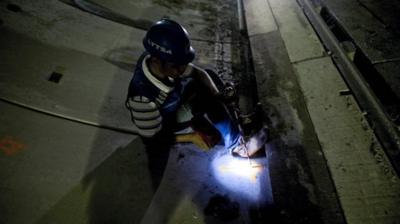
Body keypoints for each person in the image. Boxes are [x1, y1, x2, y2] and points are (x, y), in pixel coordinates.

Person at [125, 19, 264, 189]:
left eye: (183, 64)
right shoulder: (143, 99)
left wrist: (219, 94)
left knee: (210, 78)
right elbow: (152, 140)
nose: (182, 70)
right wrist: (190, 137)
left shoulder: (160, 60)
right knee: (205, 98)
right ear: (156, 60)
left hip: (173, 100)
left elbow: (199, 73)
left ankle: (238, 121)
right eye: (176, 66)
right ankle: (238, 147)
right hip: (166, 124)